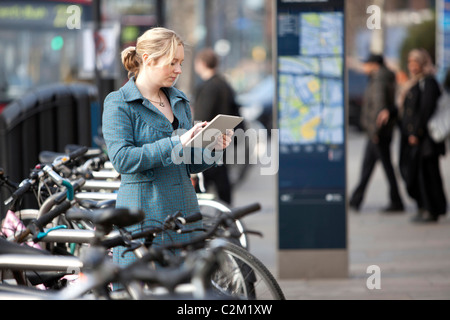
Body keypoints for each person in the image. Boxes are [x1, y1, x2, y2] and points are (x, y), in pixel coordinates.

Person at [102, 28, 233, 267]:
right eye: (172, 62)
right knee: (145, 288)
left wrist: (213, 148)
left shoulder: (179, 99)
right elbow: (122, 160)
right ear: (149, 60)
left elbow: (189, 163)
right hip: (145, 213)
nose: (179, 70)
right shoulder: (119, 102)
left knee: (189, 290)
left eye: (181, 62)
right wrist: (176, 142)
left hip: (185, 211)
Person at [349, 53, 405, 212]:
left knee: (385, 168)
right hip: (379, 132)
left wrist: (375, 131)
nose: (364, 67)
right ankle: (356, 199)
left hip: (378, 133)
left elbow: (379, 108)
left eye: (366, 64)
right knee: (368, 167)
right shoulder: (381, 78)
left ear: (374, 64)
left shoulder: (379, 80)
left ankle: (396, 201)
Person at [398, 48, 447, 223]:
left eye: (415, 63)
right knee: (417, 174)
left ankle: (432, 209)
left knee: (429, 175)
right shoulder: (415, 83)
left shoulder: (430, 83)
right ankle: (425, 206)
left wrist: (416, 132)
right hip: (416, 138)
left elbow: (426, 109)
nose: (412, 66)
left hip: (427, 139)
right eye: (410, 63)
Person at [192, 48, 241, 205]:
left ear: (202, 64)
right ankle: (227, 218)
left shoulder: (206, 87)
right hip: (224, 139)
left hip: (206, 144)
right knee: (222, 185)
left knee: (201, 187)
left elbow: (201, 116)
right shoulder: (225, 84)